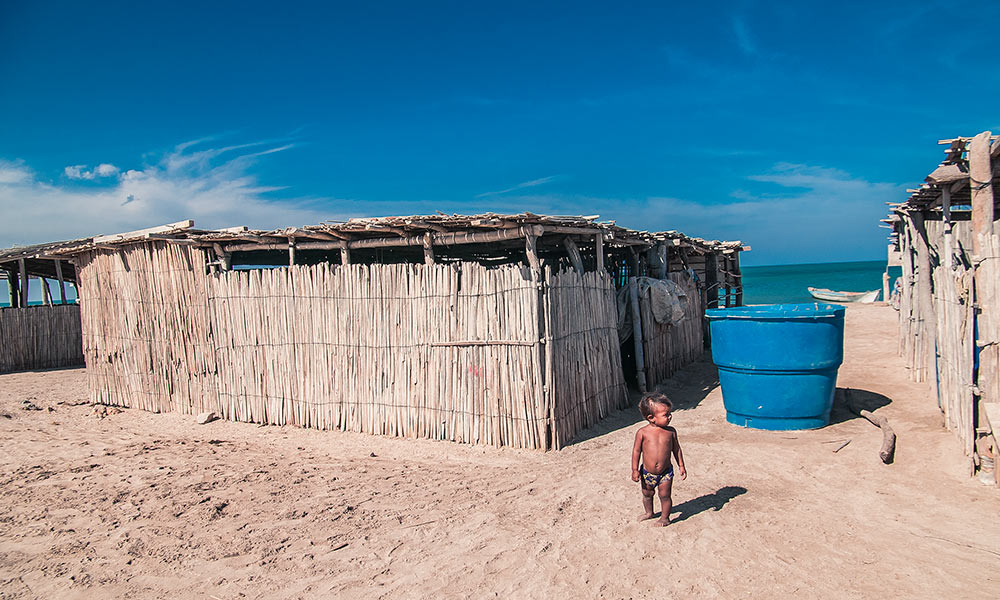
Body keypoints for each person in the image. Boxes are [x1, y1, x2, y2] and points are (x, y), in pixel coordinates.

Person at [631, 392, 687, 526]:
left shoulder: (671, 432)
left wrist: (681, 466)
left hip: (665, 473)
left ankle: (665, 518)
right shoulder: (642, 433)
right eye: (666, 415)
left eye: (669, 413)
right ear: (651, 418)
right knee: (647, 494)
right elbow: (636, 451)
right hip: (647, 473)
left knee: (665, 495)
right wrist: (634, 469)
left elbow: (676, 449)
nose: (670, 417)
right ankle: (649, 512)